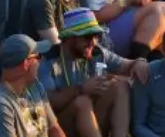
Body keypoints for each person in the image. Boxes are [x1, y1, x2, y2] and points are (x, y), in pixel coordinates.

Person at [38, 8, 145, 137]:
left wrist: (139, 61)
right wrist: (81, 89)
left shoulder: (97, 52)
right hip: (61, 127)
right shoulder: (49, 60)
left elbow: (128, 65)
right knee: (82, 103)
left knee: (120, 85)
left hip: (90, 122)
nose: (93, 42)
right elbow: (49, 103)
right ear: (70, 37)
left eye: (96, 36)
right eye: (88, 37)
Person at [0, 34, 64, 137]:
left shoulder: (36, 87)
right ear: (26, 64)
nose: (40, 61)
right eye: (38, 57)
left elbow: (54, 128)